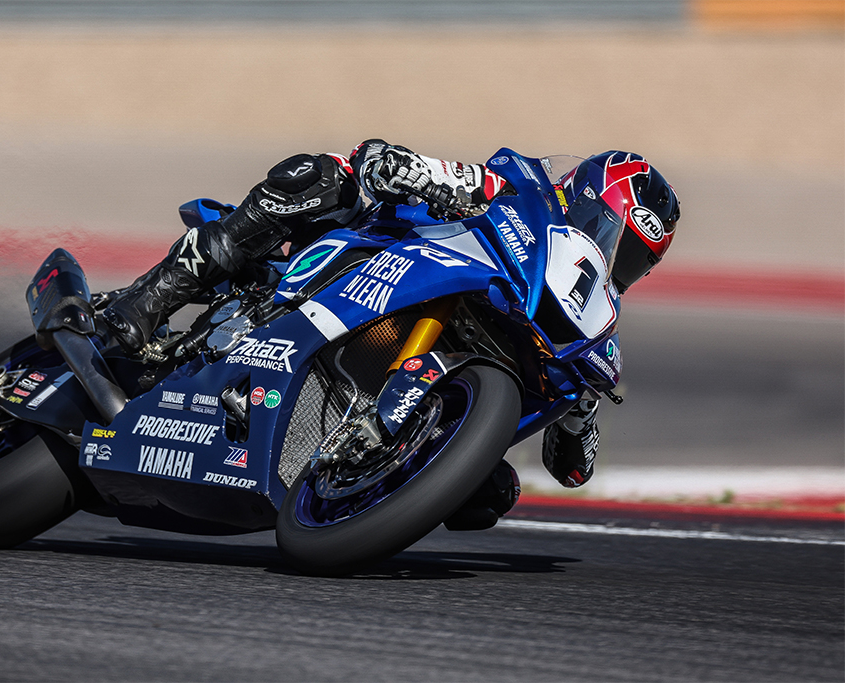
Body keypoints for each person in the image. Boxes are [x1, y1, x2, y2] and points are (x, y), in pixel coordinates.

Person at [100, 140, 680, 524]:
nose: (614, 260)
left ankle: (356, 483)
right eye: (613, 235)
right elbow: (445, 173)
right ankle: (144, 303)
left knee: (492, 492)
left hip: (443, 363)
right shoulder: (522, 186)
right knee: (323, 177)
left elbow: (572, 471)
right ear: (583, 198)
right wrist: (410, 169)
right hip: (384, 261)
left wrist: (580, 411)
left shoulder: (593, 328)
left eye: (633, 258)